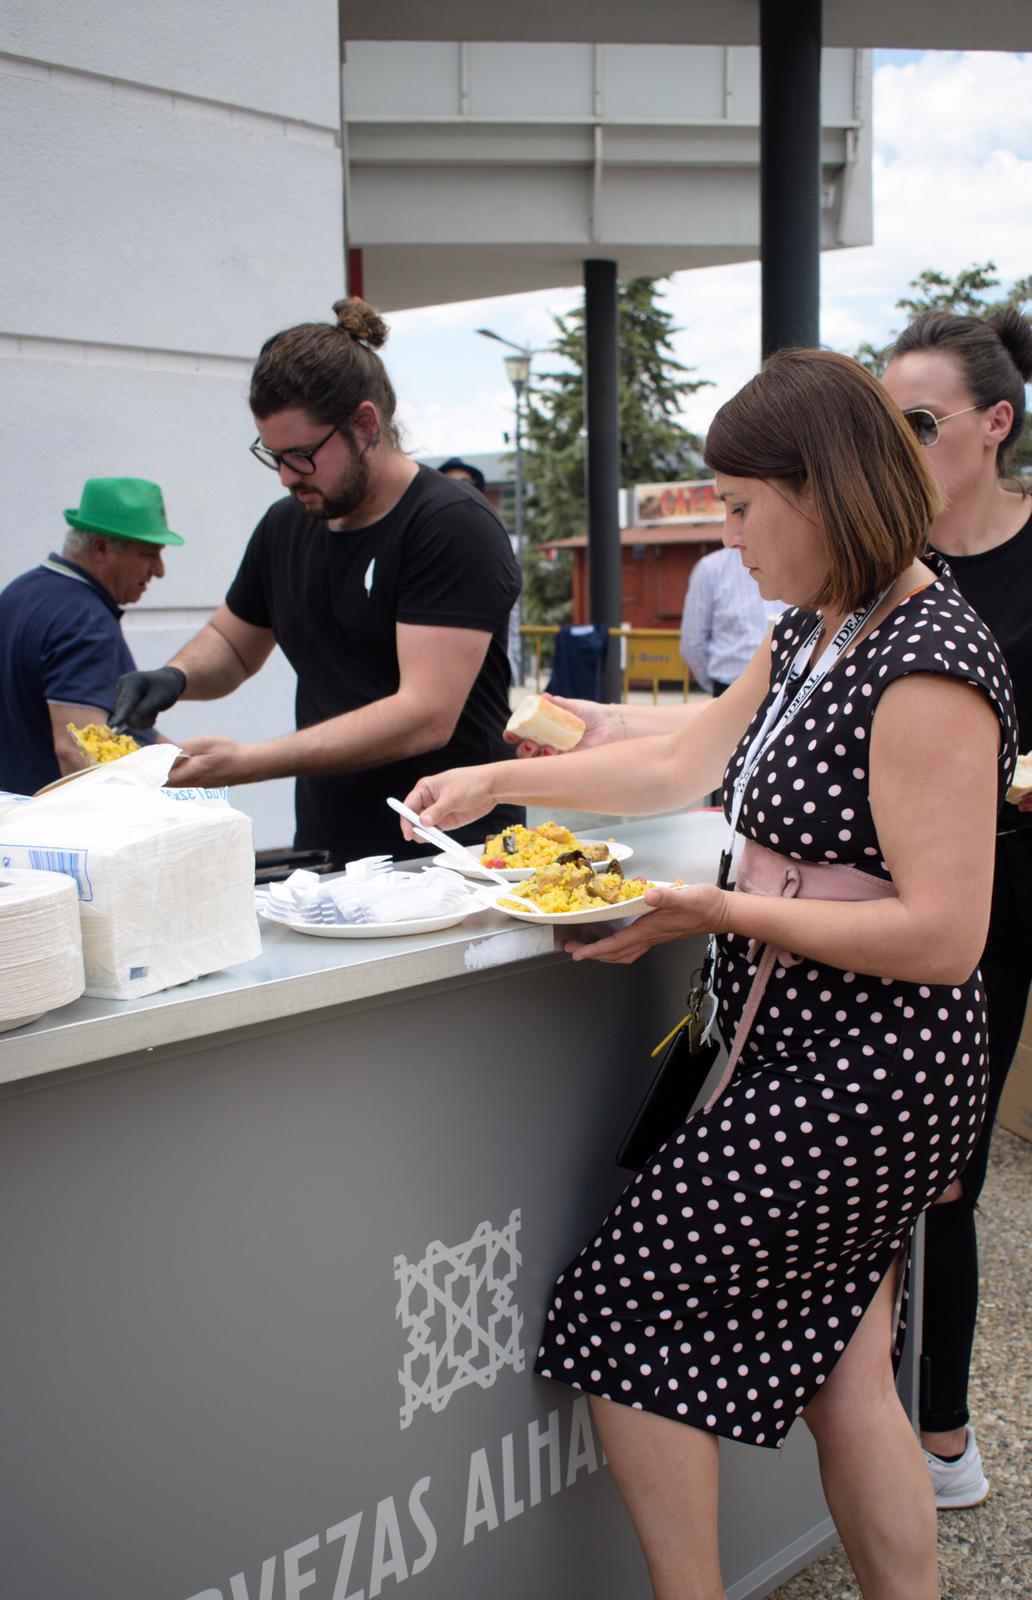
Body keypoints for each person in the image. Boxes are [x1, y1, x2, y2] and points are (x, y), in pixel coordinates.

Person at [399, 348, 1017, 1600]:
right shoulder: (822, 629)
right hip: (816, 1042)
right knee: (848, 1369)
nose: (727, 540)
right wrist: (501, 776)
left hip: (874, 1065)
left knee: (621, 1313)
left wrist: (708, 909)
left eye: (739, 507)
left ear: (821, 489)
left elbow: (947, 935)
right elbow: (681, 757)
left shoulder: (928, 660)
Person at [112, 298, 523, 865]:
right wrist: (175, 676)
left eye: (302, 455)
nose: (285, 476)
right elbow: (234, 645)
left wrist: (248, 761)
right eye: (273, 455)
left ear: (365, 425)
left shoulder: (449, 525)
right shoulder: (289, 523)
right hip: (331, 847)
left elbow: (425, 715)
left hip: (454, 853)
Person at [882, 305, 1032, 1509]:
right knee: (876, 1162)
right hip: (877, 890)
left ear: (996, 424)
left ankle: (938, 1432)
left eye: (918, 423)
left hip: (1001, 896)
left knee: (946, 1170)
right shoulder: (879, 562)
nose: (897, 445)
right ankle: (864, 1417)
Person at [0, 477, 183, 796]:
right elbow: (77, 750)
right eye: (148, 553)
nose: (160, 569)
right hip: (57, 831)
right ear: (100, 548)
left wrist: (180, 758)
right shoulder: (85, 621)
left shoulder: (18, 593)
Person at [679, 544, 785, 697]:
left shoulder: (792, 563)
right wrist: (718, 687)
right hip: (729, 687)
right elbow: (692, 643)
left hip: (788, 690)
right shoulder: (710, 569)